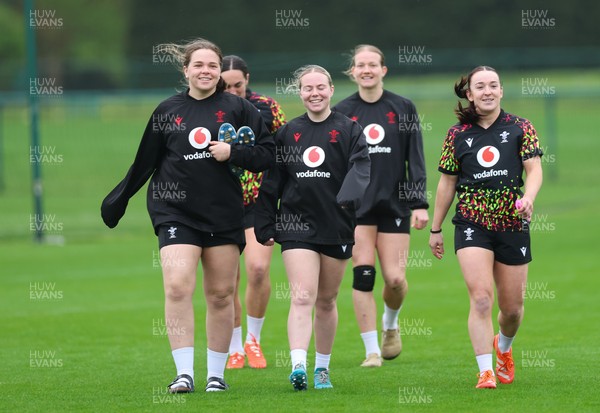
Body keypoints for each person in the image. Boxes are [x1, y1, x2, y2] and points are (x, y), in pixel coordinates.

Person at [100, 38, 274, 393]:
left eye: (212, 66)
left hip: (224, 213)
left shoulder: (239, 109)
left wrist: (234, 152)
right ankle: (183, 374)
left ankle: (215, 375)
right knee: (178, 285)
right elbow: (145, 161)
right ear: (186, 70)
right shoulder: (167, 111)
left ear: (220, 71)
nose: (206, 71)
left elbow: (268, 154)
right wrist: (118, 200)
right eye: (199, 65)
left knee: (222, 294)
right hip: (174, 211)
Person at [254, 65, 370, 390]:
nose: (314, 93)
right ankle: (298, 366)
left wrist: (347, 199)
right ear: (300, 92)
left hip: (337, 224)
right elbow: (272, 181)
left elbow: (362, 167)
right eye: (308, 88)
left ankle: (322, 368)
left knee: (327, 300)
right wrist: (264, 221)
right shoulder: (288, 132)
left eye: (321, 87)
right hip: (296, 225)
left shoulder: (349, 129)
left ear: (332, 89)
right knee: (303, 295)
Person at [428, 66, 543, 389]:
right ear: (470, 94)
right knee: (480, 298)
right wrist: (436, 229)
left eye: (493, 85)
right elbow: (446, 183)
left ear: (501, 91)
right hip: (471, 222)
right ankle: (485, 371)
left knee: (512, 310)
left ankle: (503, 348)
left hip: (512, 223)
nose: (488, 91)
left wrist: (529, 198)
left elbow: (533, 170)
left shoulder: (521, 127)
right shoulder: (457, 134)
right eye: (481, 86)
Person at [333, 45, 429, 367]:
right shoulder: (343, 111)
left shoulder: (403, 107)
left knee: (395, 280)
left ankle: (390, 324)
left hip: (395, 204)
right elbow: (335, 163)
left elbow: (414, 156)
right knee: (363, 275)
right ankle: (371, 350)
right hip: (356, 209)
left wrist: (419, 203)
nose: (367, 70)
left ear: (383, 70)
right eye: (360, 65)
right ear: (353, 72)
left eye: (373, 64)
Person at [220, 55, 286, 370]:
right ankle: (234, 348)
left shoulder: (267, 108)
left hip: (258, 200)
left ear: (248, 78)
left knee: (258, 270)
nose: (233, 91)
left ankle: (253, 340)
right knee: (227, 280)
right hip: (220, 202)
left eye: (238, 85)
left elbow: (285, 150)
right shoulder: (210, 109)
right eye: (226, 86)